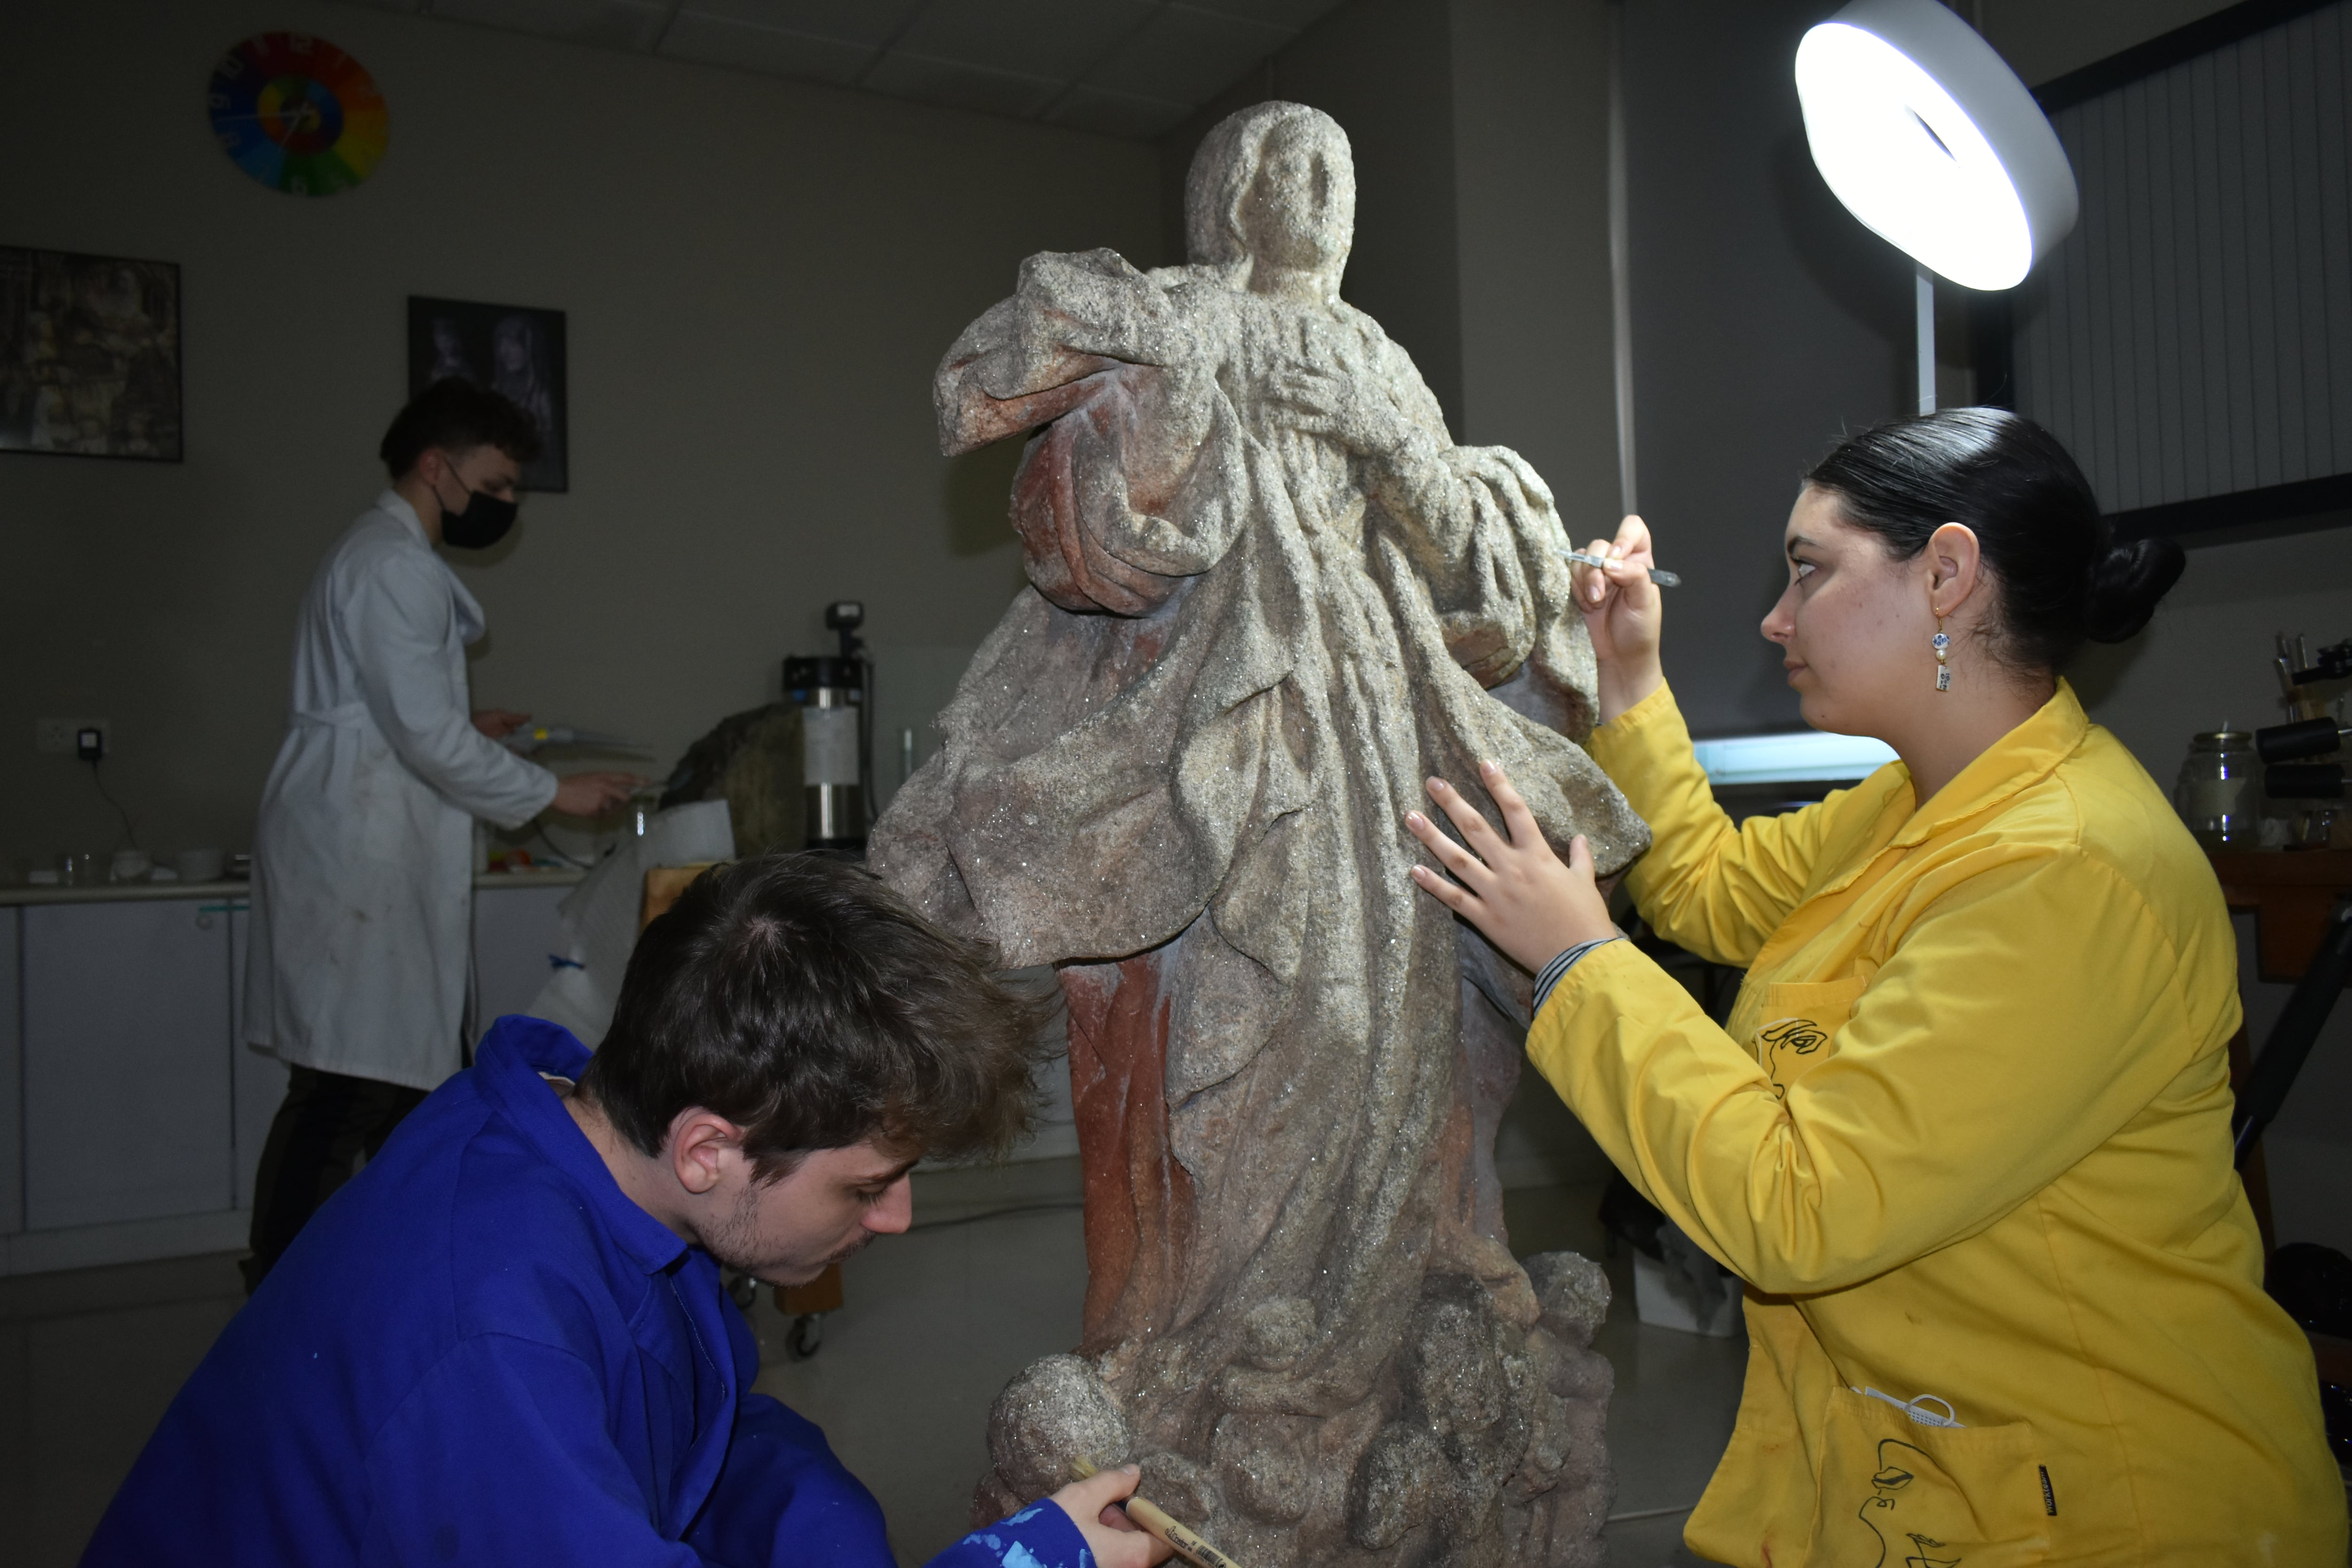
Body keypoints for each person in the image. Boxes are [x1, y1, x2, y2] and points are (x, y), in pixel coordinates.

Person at [1404, 408, 2347, 1565]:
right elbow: (1707, 888)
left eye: (1809, 570)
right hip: (1938, 1480)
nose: (1774, 617)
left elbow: (1802, 1204)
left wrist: (1576, 961)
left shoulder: (2069, 868)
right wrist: (1630, 674)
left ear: (1947, 573)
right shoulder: (1918, 803)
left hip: (2113, 1511)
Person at [86, 854, 1171, 1568]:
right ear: (710, 1148)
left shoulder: (595, 1146)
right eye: (865, 1182)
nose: (892, 1220)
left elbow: (714, 1426)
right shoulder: (490, 1330)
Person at [240, 377, 642, 1289]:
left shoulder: (382, 556)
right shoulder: (392, 566)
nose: (503, 504)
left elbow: (397, 712)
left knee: (392, 1084)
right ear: (436, 465)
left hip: (366, 829)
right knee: (345, 1087)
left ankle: (397, 1267)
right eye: (495, 483)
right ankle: (282, 1282)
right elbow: (419, 734)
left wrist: (469, 721)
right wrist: (554, 791)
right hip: (360, 846)